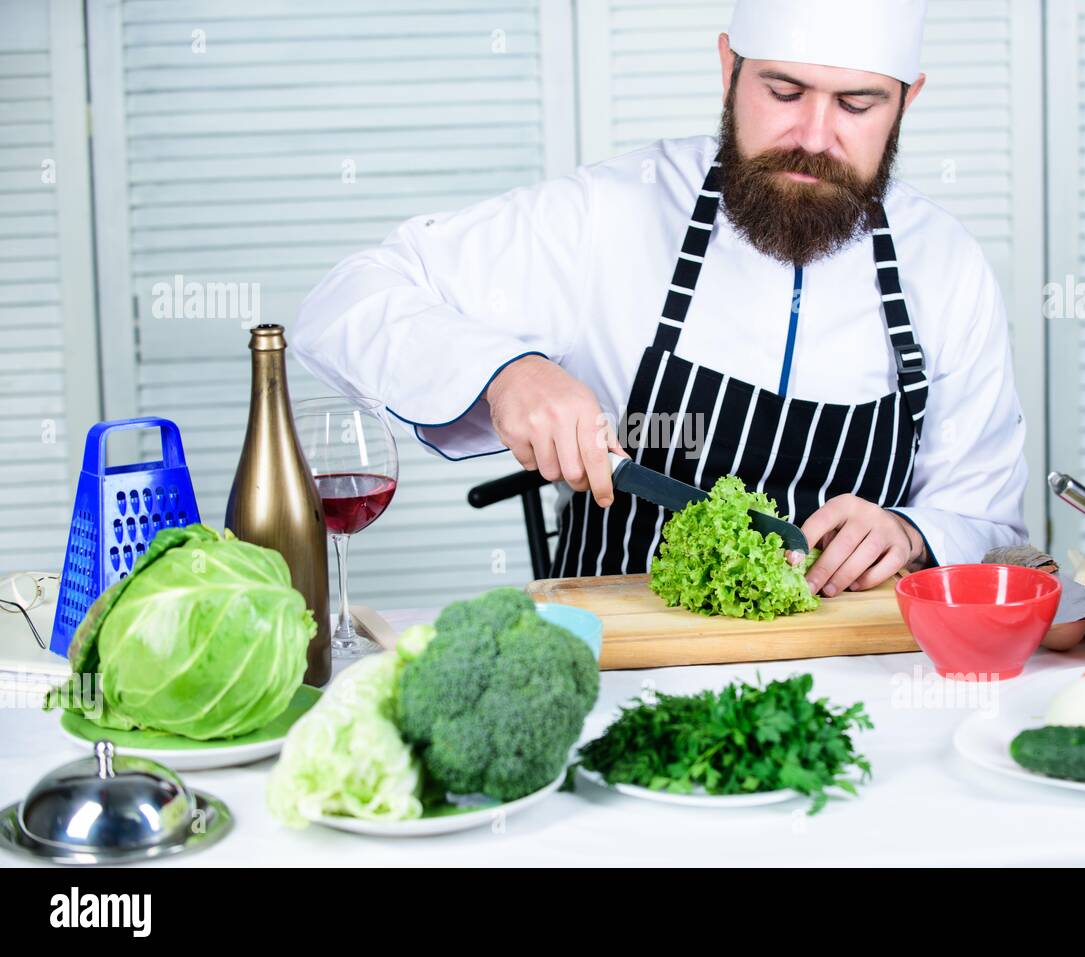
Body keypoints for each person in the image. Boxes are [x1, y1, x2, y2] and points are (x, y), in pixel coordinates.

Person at [294, 0, 1029, 595]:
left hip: (856, 685)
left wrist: (915, 532)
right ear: (727, 68)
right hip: (619, 673)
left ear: (907, 101)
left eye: (857, 104)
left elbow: (990, 521)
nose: (813, 135)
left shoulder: (947, 268)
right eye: (783, 91)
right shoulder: (610, 215)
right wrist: (504, 371)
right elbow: (344, 302)